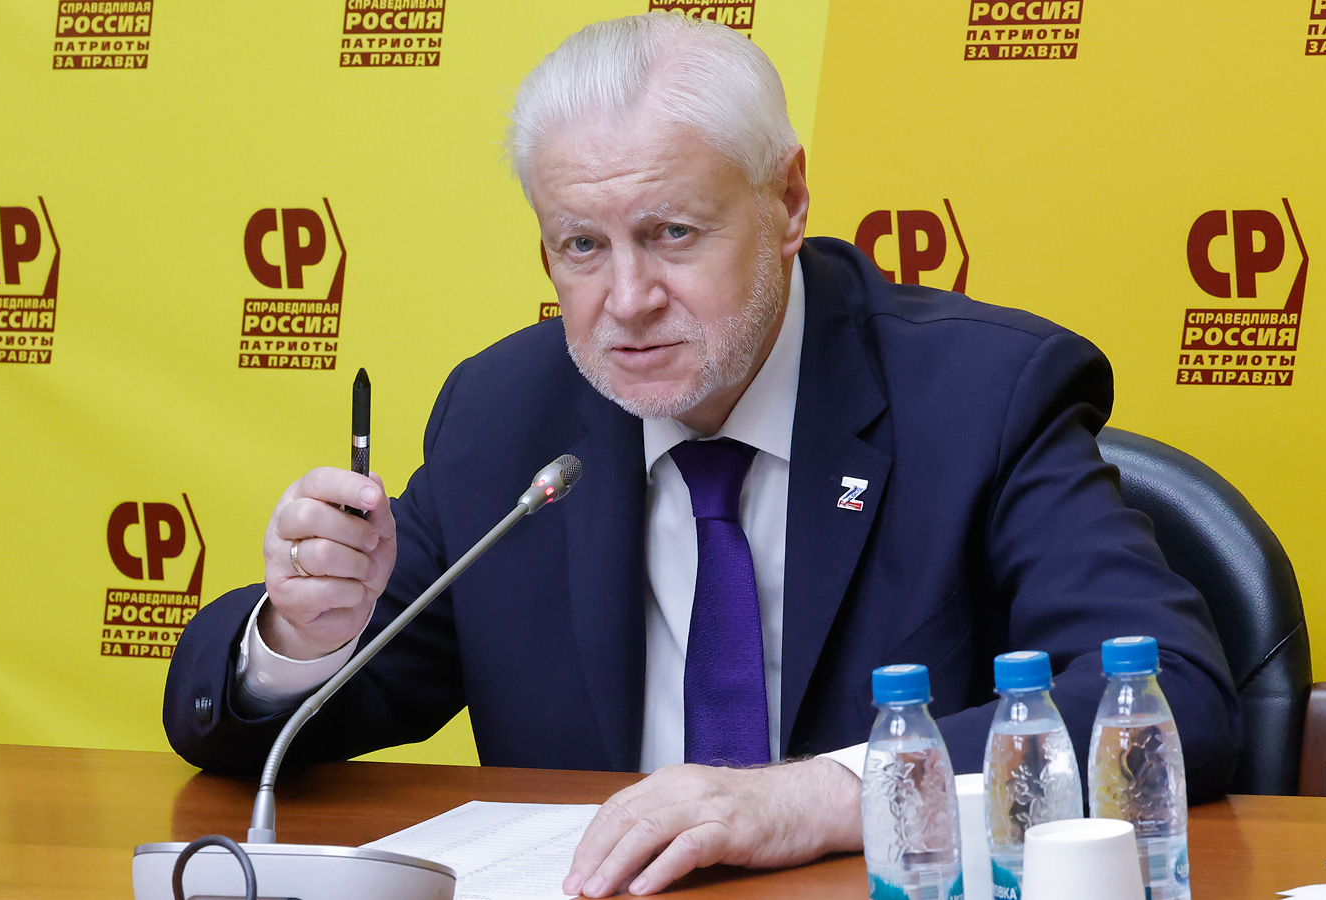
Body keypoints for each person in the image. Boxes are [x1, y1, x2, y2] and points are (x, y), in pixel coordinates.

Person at [164, 12, 1241, 897]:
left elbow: (1170, 699)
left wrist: (818, 795)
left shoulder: (979, 398)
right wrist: (300, 640)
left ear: (788, 200)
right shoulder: (505, 418)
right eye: (583, 247)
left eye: (672, 233)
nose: (627, 300)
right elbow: (250, 724)